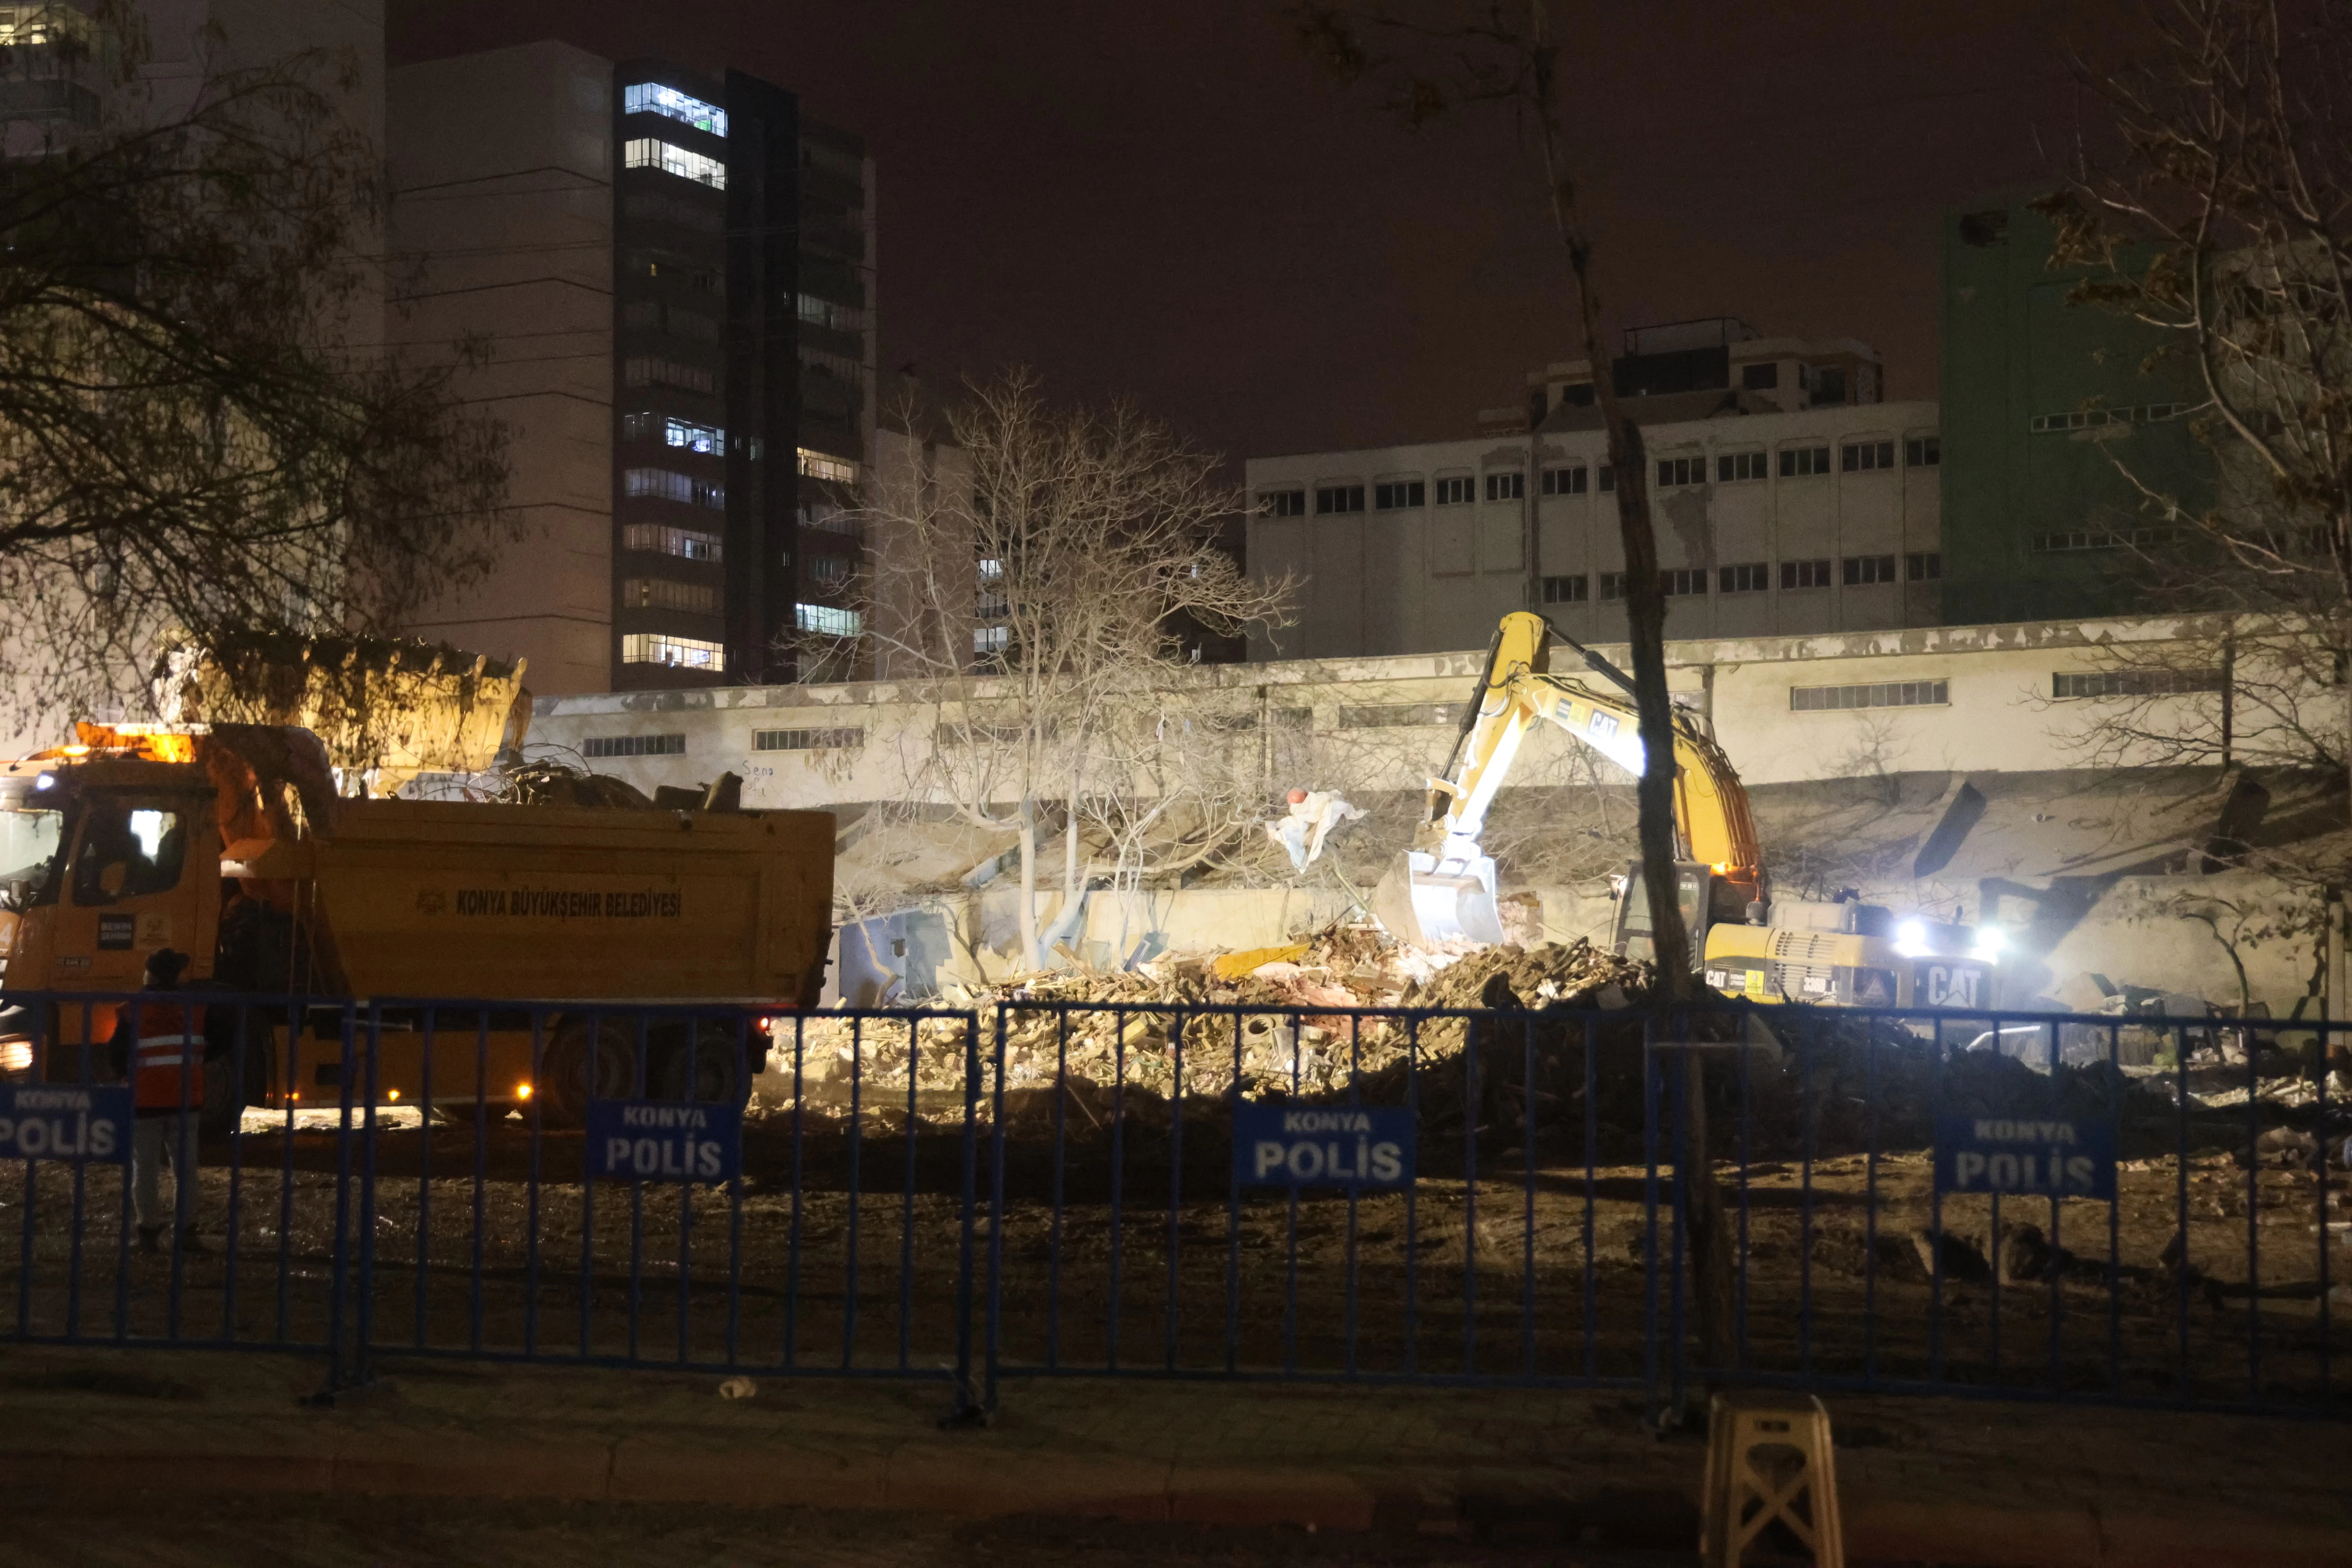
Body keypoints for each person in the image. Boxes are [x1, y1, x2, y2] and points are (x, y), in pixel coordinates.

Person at [111, 948, 207, 1255]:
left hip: (146, 1099)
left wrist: (122, 1075)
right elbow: (217, 1040)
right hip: (185, 1098)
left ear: (149, 974)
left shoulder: (134, 1009)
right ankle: (187, 1233)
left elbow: (115, 1052)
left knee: (146, 1169)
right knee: (186, 1169)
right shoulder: (195, 1008)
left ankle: (148, 1233)